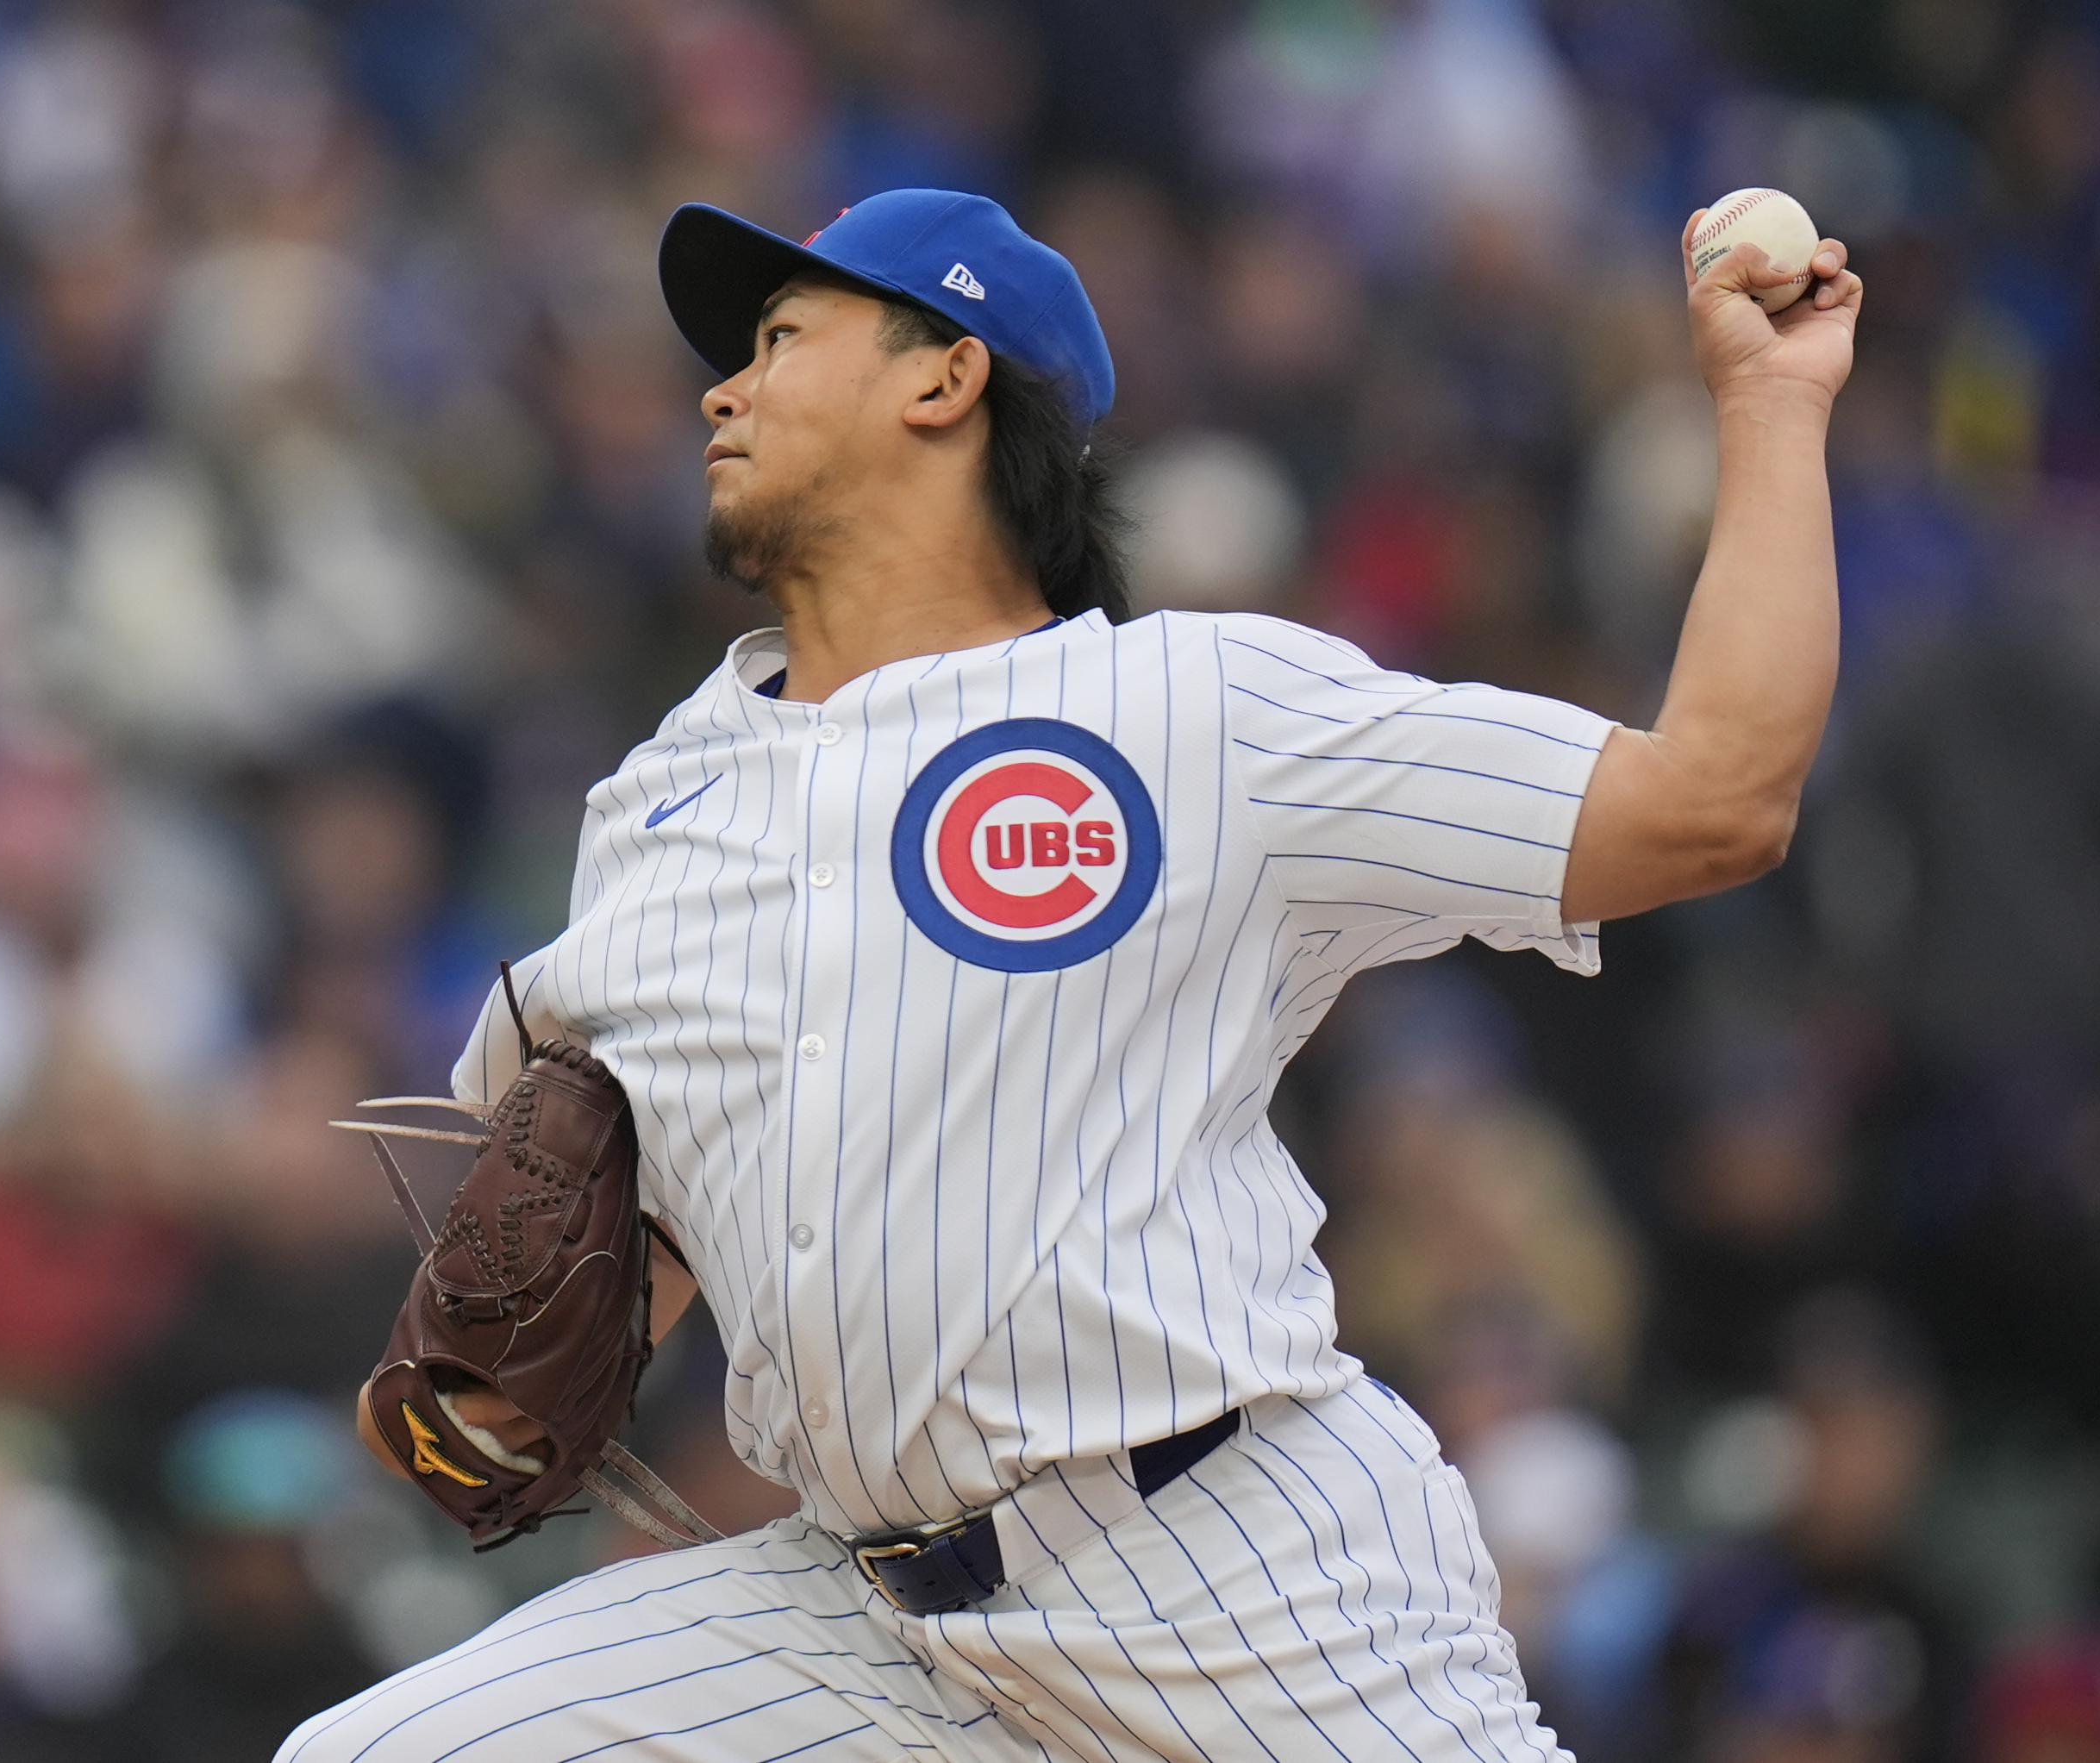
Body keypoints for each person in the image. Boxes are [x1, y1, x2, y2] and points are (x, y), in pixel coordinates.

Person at [280, 186, 1860, 1763]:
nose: (722, 386)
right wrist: (505, 1375)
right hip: (871, 1628)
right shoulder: (655, 808)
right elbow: (602, 1263)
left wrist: (1770, 407)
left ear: (941, 377)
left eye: (777, 338)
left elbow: (1713, 797)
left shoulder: (1190, 708)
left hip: (1241, 1581)